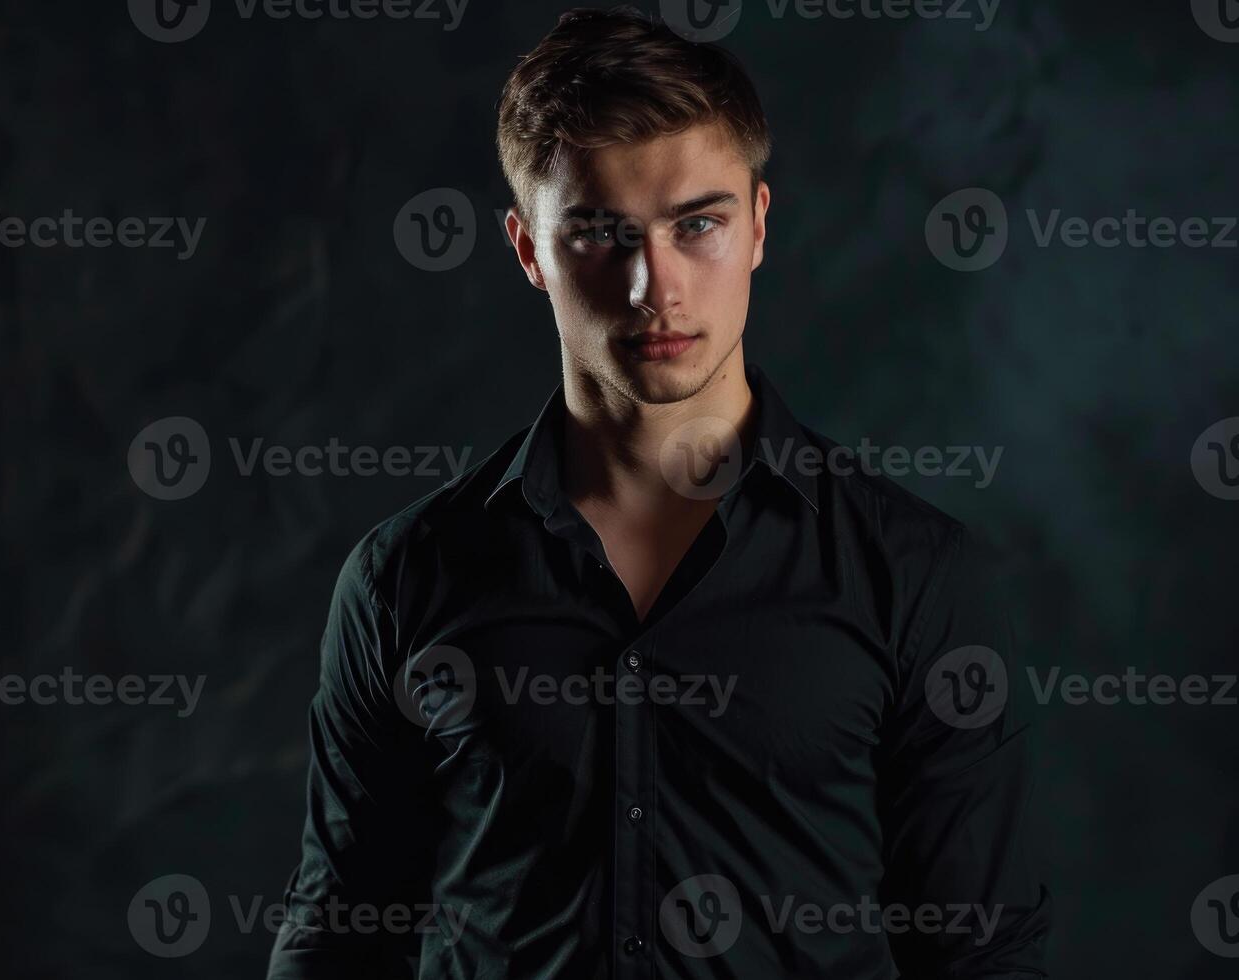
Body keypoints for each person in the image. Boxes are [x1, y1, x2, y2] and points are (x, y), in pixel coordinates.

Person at [267, 6, 1052, 977]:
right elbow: (340, 928)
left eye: (699, 225)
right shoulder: (404, 579)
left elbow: (984, 953)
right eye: (601, 233)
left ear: (758, 226)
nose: (656, 286)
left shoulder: (917, 576)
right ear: (529, 251)